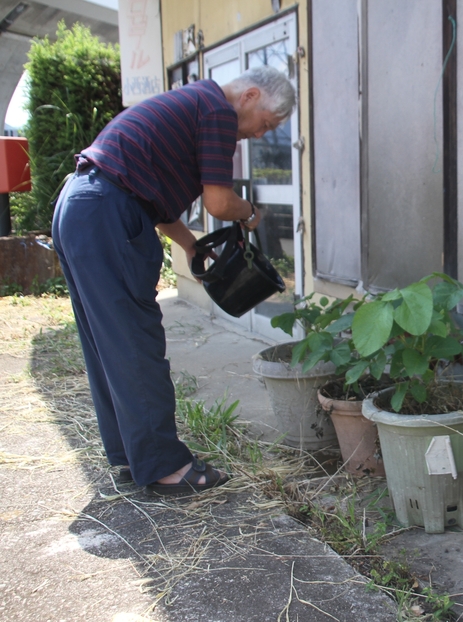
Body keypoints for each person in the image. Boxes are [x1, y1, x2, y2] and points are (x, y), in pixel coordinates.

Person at [51, 66, 296, 494]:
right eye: (267, 124)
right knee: (134, 341)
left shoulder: (195, 104)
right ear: (250, 96)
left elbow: (157, 202)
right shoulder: (218, 110)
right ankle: (166, 467)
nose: (260, 135)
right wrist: (251, 214)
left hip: (82, 205)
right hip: (108, 211)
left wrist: (190, 246)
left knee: (107, 341)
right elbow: (219, 203)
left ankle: (134, 455)